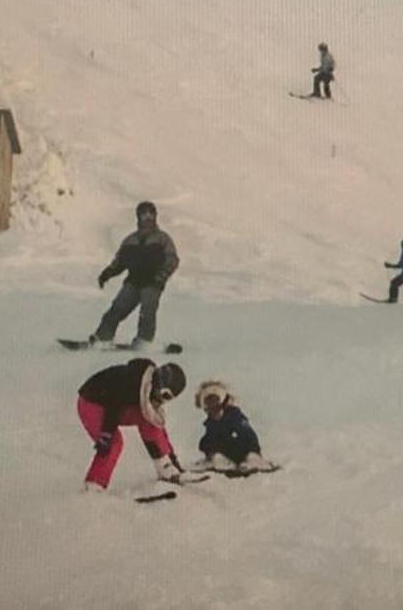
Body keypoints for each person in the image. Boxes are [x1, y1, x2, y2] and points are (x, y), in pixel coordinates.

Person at [76, 357, 194, 490]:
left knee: (149, 420)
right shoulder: (132, 382)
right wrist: (106, 434)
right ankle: (94, 484)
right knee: (115, 443)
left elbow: (158, 427)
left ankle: (165, 466)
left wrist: (173, 460)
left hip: (112, 405)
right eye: (164, 395)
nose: (162, 400)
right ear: (159, 383)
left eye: (168, 398)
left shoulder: (147, 390)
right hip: (91, 403)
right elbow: (113, 404)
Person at [92, 201, 179, 346]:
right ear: (138, 217)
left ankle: (144, 341)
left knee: (147, 312)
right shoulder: (130, 241)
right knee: (116, 309)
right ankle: (102, 338)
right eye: (144, 214)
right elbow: (120, 262)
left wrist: (161, 276)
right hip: (133, 282)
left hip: (152, 282)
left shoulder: (163, 239)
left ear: (155, 216)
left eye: (150, 214)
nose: (147, 217)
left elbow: (172, 259)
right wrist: (107, 274)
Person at [195, 379, 273, 473]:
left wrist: (253, 451)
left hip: (243, 450)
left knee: (246, 444)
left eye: (215, 402)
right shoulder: (210, 423)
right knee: (208, 444)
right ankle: (220, 460)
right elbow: (209, 441)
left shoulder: (234, 416)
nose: (213, 408)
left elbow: (249, 435)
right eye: (208, 404)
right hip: (225, 452)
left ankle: (253, 458)